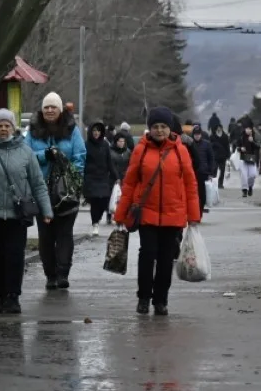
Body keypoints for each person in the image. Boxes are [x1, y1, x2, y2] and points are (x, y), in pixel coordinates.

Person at [113, 106, 201, 316]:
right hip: (147, 214)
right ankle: (144, 297)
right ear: (149, 128)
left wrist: (194, 215)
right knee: (147, 254)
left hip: (173, 214)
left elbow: (190, 184)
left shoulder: (180, 151)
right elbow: (130, 183)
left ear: (170, 128)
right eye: (155, 126)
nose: (159, 130)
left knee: (165, 259)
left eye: (163, 126)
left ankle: (161, 300)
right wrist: (120, 214)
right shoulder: (141, 150)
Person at [0, 109, 54, 315]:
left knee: (15, 256)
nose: (4, 129)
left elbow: (38, 184)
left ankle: (14, 297)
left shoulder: (26, 152)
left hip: (18, 215)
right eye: (0, 125)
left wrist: (46, 210)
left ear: (14, 128)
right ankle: (2, 296)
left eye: (7, 125)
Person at [26, 92, 86, 290]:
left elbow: (80, 155)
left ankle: (63, 273)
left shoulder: (72, 130)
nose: (50, 110)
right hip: (42, 191)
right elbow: (26, 156)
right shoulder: (33, 131)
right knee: (46, 235)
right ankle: (50, 275)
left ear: (60, 110)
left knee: (64, 234)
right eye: (46, 107)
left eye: (54, 107)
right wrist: (44, 155)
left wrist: (71, 177)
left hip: (66, 192)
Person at [82, 122, 118, 236]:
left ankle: (98, 218)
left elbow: (109, 161)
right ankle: (95, 223)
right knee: (95, 201)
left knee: (104, 200)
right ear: (90, 132)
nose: (96, 133)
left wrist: (116, 176)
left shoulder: (105, 145)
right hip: (91, 177)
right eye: (94, 131)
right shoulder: (86, 145)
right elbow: (83, 161)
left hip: (103, 177)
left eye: (98, 131)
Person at [190, 125, 216, 213]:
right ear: (193, 135)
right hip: (192, 172)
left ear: (201, 134)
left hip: (203, 172)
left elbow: (211, 158)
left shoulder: (207, 144)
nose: (197, 136)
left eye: (198, 134)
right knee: (193, 193)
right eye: (195, 134)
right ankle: (195, 211)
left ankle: (200, 210)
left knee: (202, 193)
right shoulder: (190, 144)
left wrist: (211, 172)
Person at [235, 124, 260, 197]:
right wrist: (240, 149)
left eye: (250, 129)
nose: (249, 130)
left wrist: (252, 142)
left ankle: (250, 187)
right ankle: (244, 191)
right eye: (248, 129)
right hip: (243, 159)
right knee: (244, 176)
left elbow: (258, 147)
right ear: (245, 129)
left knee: (253, 175)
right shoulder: (241, 138)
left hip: (252, 159)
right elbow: (236, 147)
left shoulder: (254, 137)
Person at [210, 125, 231, 189]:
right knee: (214, 170)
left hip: (223, 156)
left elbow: (227, 146)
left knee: (222, 171)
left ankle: (220, 184)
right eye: (217, 129)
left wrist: (228, 155)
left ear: (222, 129)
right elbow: (209, 145)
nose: (219, 130)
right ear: (216, 129)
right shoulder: (212, 136)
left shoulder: (225, 136)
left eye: (220, 128)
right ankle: (214, 183)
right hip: (215, 156)